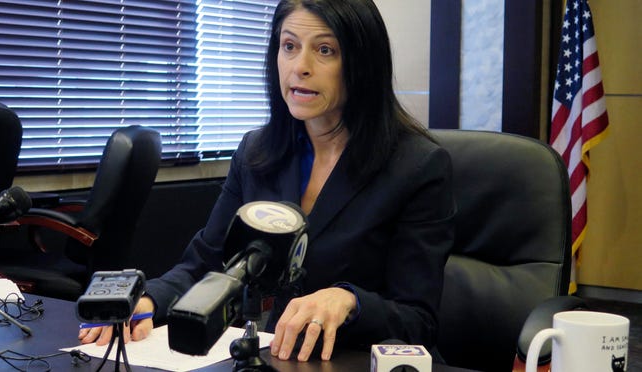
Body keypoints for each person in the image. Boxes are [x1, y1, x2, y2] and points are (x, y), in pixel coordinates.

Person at [79, 0, 455, 363]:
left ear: (362, 64)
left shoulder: (418, 166)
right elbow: (205, 265)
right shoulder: (256, 152)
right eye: (289, 46)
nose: (300, 67)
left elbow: (417, 321)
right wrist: (147, 302)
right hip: (265, 356)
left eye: (325, 50)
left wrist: (350, 301)